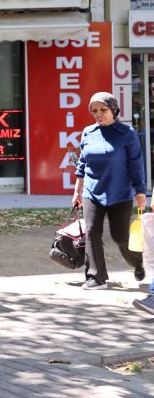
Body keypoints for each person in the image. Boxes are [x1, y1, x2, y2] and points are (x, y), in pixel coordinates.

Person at [71, 92, 146, 290]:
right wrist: (77, 192)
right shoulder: (88, 132)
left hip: (119, 193)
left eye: (103, 109)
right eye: (94, 110)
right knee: (91, 233)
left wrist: (140, 192)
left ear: (113, 109)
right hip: (92, 191)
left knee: (120, 237)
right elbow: (82, 164)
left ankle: (140, 261)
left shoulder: (126, 133)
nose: (98, 114)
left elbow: (136, 164)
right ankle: (96, 277)